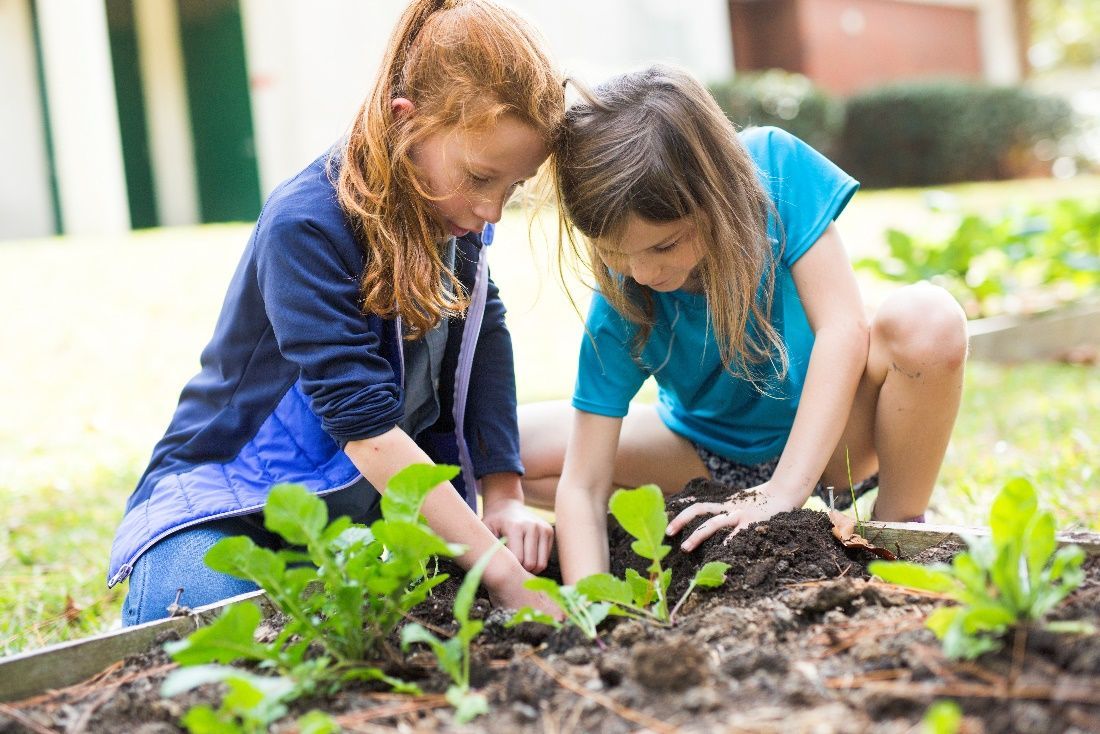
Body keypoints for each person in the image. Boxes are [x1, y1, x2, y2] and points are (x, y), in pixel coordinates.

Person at [110, 0, 564, 625]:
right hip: (229, 505)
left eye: (511, 190)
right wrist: (505, 576)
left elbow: (484, 337)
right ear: (408, 122)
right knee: (207, 621)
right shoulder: (306, 225)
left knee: (380, 609)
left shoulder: (451, 218)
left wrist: (505, 495)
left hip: (354, 515)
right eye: (481, 177)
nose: (491, 210)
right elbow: (368, 430)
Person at [519, 66, 968, 583]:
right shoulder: (624, 296)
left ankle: (895, 533)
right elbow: (582, 485)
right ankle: (688, 518)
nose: (643, 273)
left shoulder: (773, 167)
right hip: (706, 454)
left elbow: (842, 329)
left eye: (664, 245)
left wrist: (782, 492)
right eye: (615, 252)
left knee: (929, 320)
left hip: (834, 435)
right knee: (509, 447)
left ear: (716, 196)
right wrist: (591, 605)